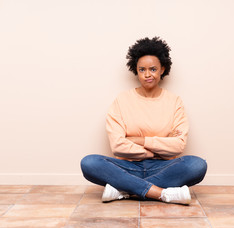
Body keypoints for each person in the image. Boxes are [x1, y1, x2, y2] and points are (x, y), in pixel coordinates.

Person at [80, 37, 207, 204]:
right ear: (136, 71)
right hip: (127, 167)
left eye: (153, 69)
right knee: (89, 163)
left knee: (196, 165)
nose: (147, 75)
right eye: (142, 70)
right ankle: (161, 193)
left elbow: (178, 146)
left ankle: (125, 190)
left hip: (163, 167)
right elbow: (118, 146)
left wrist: (139, 140)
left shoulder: (174, 101)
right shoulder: (122, 100)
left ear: (162, 69)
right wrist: (158, 148)